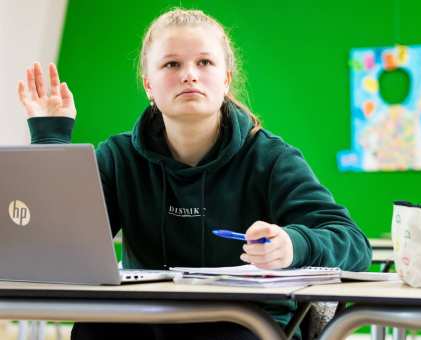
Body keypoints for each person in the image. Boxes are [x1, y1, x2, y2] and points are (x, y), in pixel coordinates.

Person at [16, 8, 372, 340]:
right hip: (145, 321)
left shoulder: (271, 158)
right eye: (171, 64)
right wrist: (51, 139)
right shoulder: (118, 157)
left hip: (242, 323)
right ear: (149, 86)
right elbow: (62, 250)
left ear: (226, 79)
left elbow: (353, 243)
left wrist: (293, 244)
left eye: (205, 62)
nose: (189, 74)